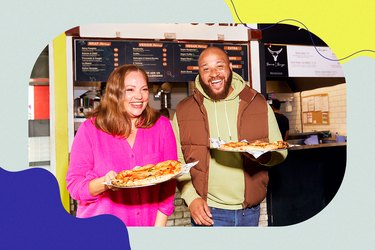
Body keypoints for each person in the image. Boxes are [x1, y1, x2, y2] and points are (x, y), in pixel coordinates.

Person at [172, 47, 287, 226]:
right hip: (207, 212)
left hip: (249, 212)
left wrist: (261, 155)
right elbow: (176, 160)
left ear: (230, 67)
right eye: (206, 68)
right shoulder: (184, 109)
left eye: (219, 66)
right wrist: (191, 197)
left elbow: (281, 151)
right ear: (199, 73)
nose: (214, 74)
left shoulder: (257, 103)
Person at [66, 64, 177, 226]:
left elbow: (169, 181)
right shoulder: (90, 130)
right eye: (130, 90)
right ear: (115, 93)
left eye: (144, 89)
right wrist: (105, 183)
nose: (139, 96)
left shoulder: (162, 126)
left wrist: (157, 230)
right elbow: (75, 187)